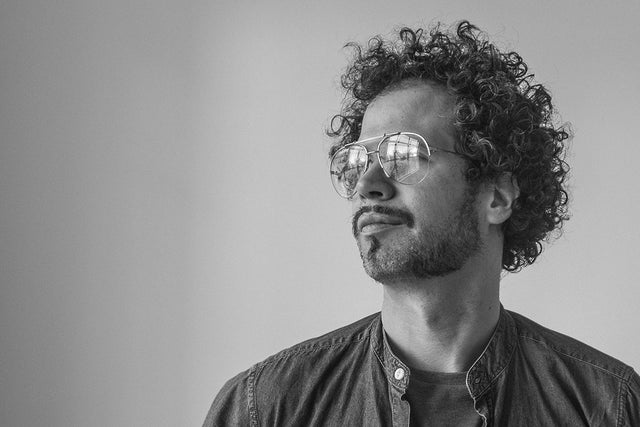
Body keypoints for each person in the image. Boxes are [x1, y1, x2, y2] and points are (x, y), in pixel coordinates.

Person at [204, 21, 640, 426]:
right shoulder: (267, 407)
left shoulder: (608, 407)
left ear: (498, 196)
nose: (368, 185)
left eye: (403, 154)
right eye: (357, 162)